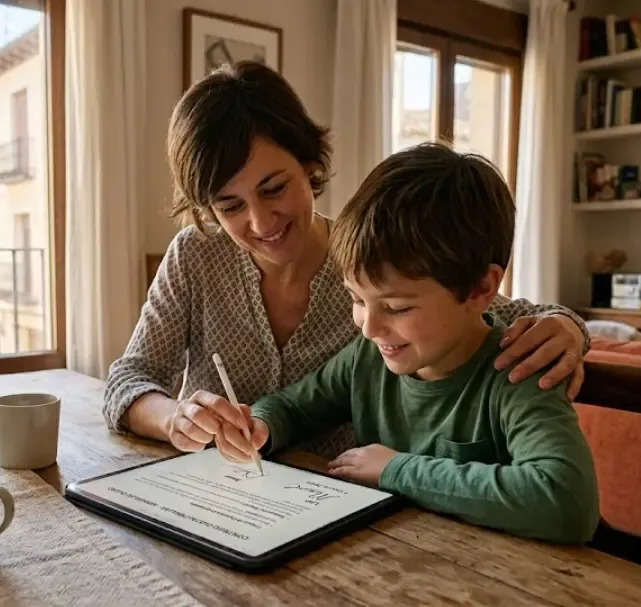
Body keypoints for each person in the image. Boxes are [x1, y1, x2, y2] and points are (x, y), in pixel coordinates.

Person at [103, 60, 590, 459]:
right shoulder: (194, 255)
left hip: (338, 502)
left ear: (310, 163)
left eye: (274, 188)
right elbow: (128, 378)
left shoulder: (369, 263)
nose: (260, 221)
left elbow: (491, 306)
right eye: (229, 206)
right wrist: (173, 418)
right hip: (225, 495)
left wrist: (568, 326)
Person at [210, 143, 600, 544]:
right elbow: (293, 406)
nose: (368, 327)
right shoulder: (368, 359)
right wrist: (260, 425)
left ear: (481, 287)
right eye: (358, 300)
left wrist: (395, 470)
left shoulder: (518, 370)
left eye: (396, 307)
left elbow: (566, 500)